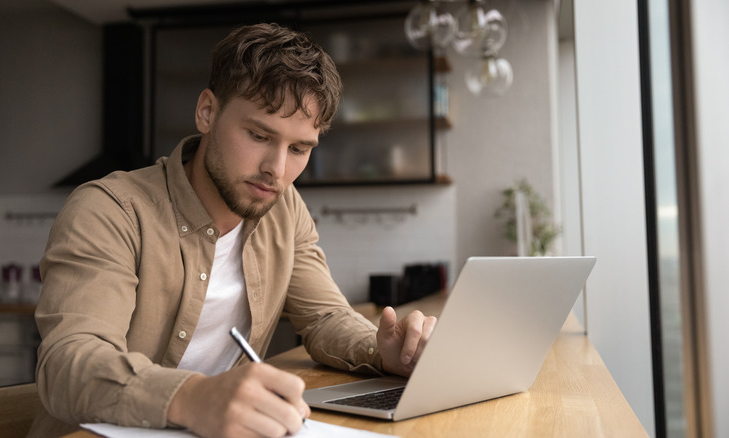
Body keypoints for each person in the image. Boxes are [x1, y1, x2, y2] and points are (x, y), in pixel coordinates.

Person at [28, 23, 436, 438]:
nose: (276, 171)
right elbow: (68, 364)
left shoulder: (284, 206)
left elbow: (325, 317)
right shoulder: (109, 210)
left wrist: (383, 351)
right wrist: (193, 398)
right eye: (259, 135)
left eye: (299, 149)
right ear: (208, 112)